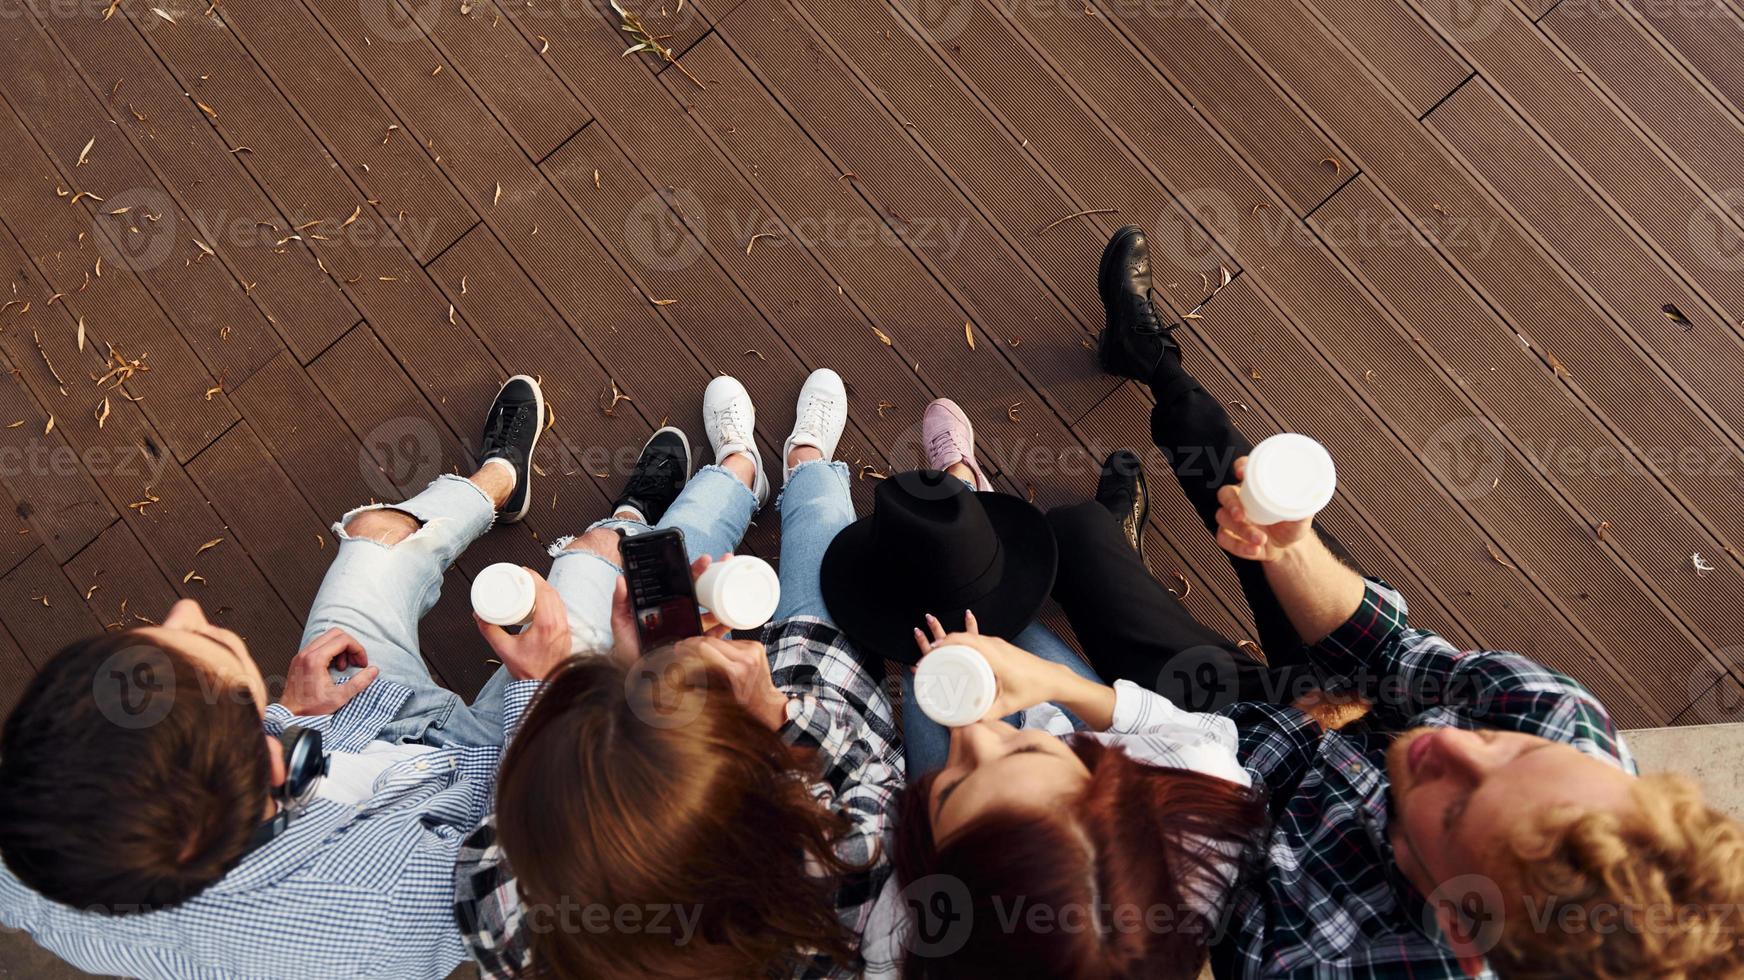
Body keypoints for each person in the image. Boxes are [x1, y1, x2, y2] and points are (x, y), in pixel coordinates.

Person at [1094, 225, 1744, 978]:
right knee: (1235, 469)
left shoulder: (1321, 968)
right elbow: (1388, 654)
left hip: (1215, 757)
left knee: (1083, 550)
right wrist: (1289, 549)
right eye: (1512, 749)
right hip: (1352, 689)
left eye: (1461, 807)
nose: (1457, 743)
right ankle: (1149, 360)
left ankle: (1117, 553)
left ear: (1465, 936)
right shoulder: (1562, 726)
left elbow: (1181, 880)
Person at [0, 376, 587, 979]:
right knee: (601, 572)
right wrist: (543, 684)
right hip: (507, 773)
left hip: (350, 712)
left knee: (377, 537)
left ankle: (498, 482)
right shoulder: (382, 919)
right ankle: (630, 525)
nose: (186, 610)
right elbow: (533, 848)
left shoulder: (26, 858)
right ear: (272, 765)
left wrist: (294, 713)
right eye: (200, 640)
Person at [453, 369, 906, 980]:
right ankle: (808, 465)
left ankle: (738, 471)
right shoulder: (856, 884)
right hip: (815, 715)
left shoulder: (502, 911)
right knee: (825, 576)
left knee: (654, 575)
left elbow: (508, 828)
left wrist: (625, 664)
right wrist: (775, 710)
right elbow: (878, 780)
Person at [825, 404, 1265, 979]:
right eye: (1026, 749)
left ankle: (965, 531)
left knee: (931, 646)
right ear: (1116, 785)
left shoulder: (901, 943)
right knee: (992, 625)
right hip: (1084, 726)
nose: (977, 728)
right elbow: (1203, 735)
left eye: (953, 790)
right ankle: (972, 517)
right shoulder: (1206, 814)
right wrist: (1055, 685)